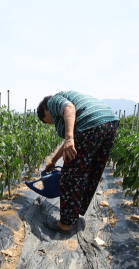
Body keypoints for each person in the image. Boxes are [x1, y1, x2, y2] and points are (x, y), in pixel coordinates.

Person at [38, 91, 119, 233]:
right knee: (91, 171)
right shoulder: (76, 105)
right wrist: (54, 160)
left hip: (92, 125)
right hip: (110, 124)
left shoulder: (53, 101)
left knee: (70, 175)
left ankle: (65, 224)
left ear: (45, 109)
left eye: (47, 120)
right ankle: (75, 212)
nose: (51, 123)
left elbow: (69, 109)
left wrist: (69, 138)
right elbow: (77, 137)